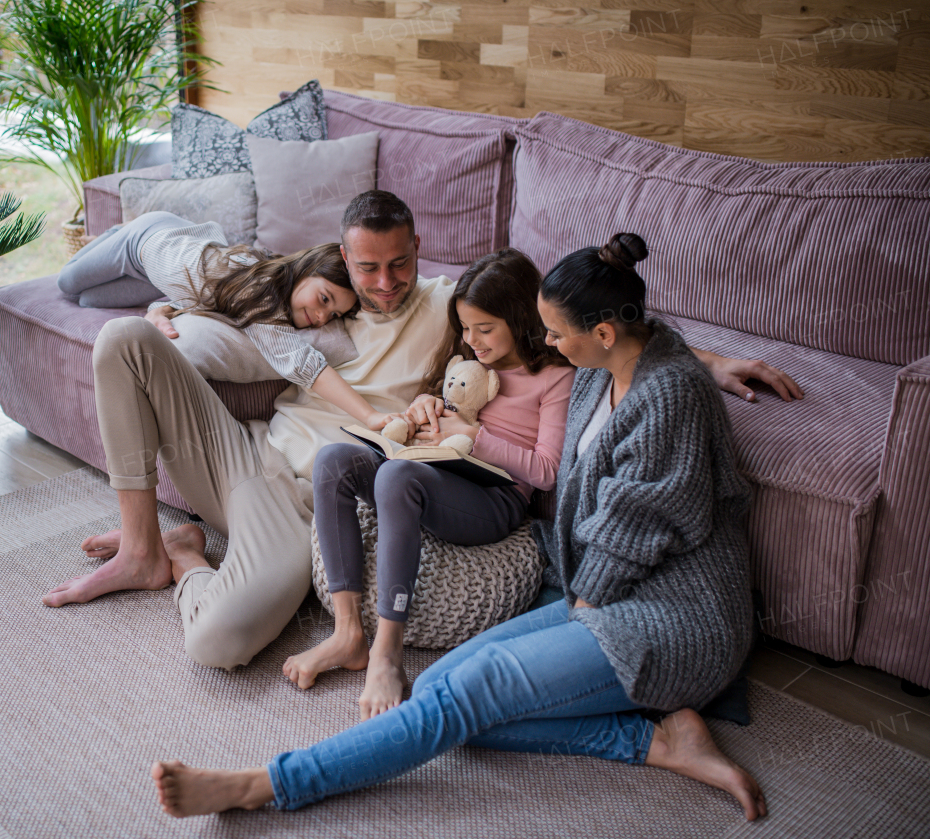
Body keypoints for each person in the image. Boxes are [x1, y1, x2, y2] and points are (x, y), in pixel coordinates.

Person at [43, 190, 801, 675]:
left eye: (398, 264)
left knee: (219, 645)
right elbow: (223, 321)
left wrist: (707, 357)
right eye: (367, 267)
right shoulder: (314, 298)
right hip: (243, 457)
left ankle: (184, 561)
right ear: (343, 256)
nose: (382, 283)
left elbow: (576, 324)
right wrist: (164, 315)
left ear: (418, 250)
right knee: (121, 342)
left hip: (304, 504)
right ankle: (143, 544)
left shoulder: (448, 302)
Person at [148, 233, 768, 823]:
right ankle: (659, 739)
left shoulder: (665, 398)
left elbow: (637, 525)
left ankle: (267, 784)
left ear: (603, 334)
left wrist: (578, 606)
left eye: (554, 333)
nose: (546, 342)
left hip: (672, 617)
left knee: (463, 698)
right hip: (605, 593)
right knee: (441, 691)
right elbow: (654, 339)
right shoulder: (611, 362)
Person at [283, 249, 575, 720]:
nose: (472, 340)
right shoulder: (469, 364)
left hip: (495, 498)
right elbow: (450, 409)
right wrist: (426, 408)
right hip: (438, 472)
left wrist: (475, 438)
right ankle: (347, 632)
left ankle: (387, 652)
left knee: (398, 476)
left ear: (520, 317)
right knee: (335, 459)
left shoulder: (554, 377)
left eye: (485, 329)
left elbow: (545, 470)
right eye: (465, 327)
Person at [57, 211, 397, 431]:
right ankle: (121, 225)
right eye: (324, 299)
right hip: (146, 238)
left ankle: (146, 273)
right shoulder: (262, 291)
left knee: (91, 299)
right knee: (69, 285)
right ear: (304, 270)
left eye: (334, 315)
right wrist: (370, 416)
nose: (322, 318)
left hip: (160, 272)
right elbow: (303, 364)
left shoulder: (254, 298)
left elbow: (209, 298)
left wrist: (161, 308)